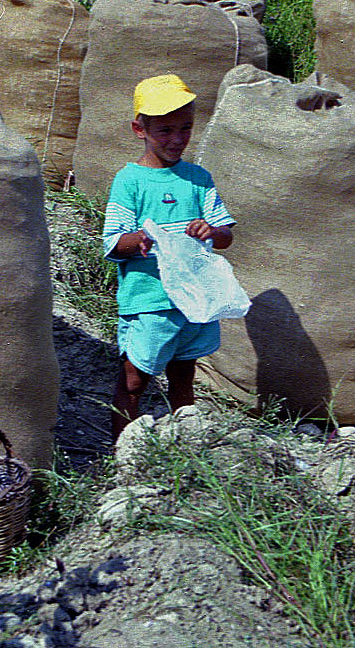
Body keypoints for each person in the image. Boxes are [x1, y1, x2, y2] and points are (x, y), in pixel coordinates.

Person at [102, 74, 235, 442]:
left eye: (185, 128)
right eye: (165, 130)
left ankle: (182, 448)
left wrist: (211, 231)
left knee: (183, 376)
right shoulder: (130, 181)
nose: (177, 139)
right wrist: (139, 240)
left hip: (193, 301)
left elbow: (226, 236)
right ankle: (121, 454)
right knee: (134, 380)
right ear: (139, 130)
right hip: (150, 301)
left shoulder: (198, 179)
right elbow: (112, 243)